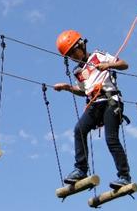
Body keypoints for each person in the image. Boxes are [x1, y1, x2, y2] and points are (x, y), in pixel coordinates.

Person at [53, 29, 132, 189]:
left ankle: (124, 176)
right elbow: (84, 91)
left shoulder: (98, 56)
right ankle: (81, 169)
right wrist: (68, 87)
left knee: (111, 139)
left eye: (74, 52)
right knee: (79, 130)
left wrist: (108, 65)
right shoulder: (78, 71)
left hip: (110, 101)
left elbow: (124, 64)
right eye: (70, 56)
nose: (74, 57)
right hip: (95, 104)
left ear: (81, 45)